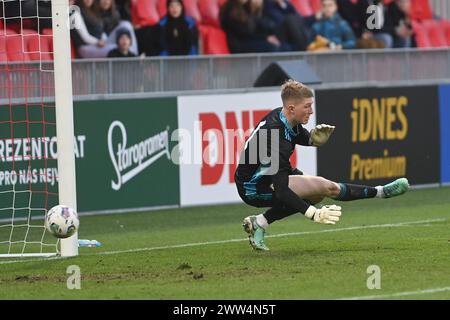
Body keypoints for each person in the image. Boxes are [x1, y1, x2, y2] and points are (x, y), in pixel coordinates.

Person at [235, 79, 409, 251]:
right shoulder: (274, 136)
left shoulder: (285, 118)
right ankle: (381, 192)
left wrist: (314, 140)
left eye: (311, 105)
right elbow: (282, 190)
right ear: (291, 108)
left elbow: (300, 137)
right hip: (253, 188)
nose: (311, 111)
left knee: (318, 193)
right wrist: (313, 213)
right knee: (326, 188)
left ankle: (260, 223)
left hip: (269, 174)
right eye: (307, 106)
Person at [220, 0, 289, 53]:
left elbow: (258, 27)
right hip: (239, 44)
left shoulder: (246, 7)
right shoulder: (231, 7)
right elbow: (243, 32)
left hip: (250, 40)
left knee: (285, 46)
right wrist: (265, 38)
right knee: (274, 48)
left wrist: (257, 11)